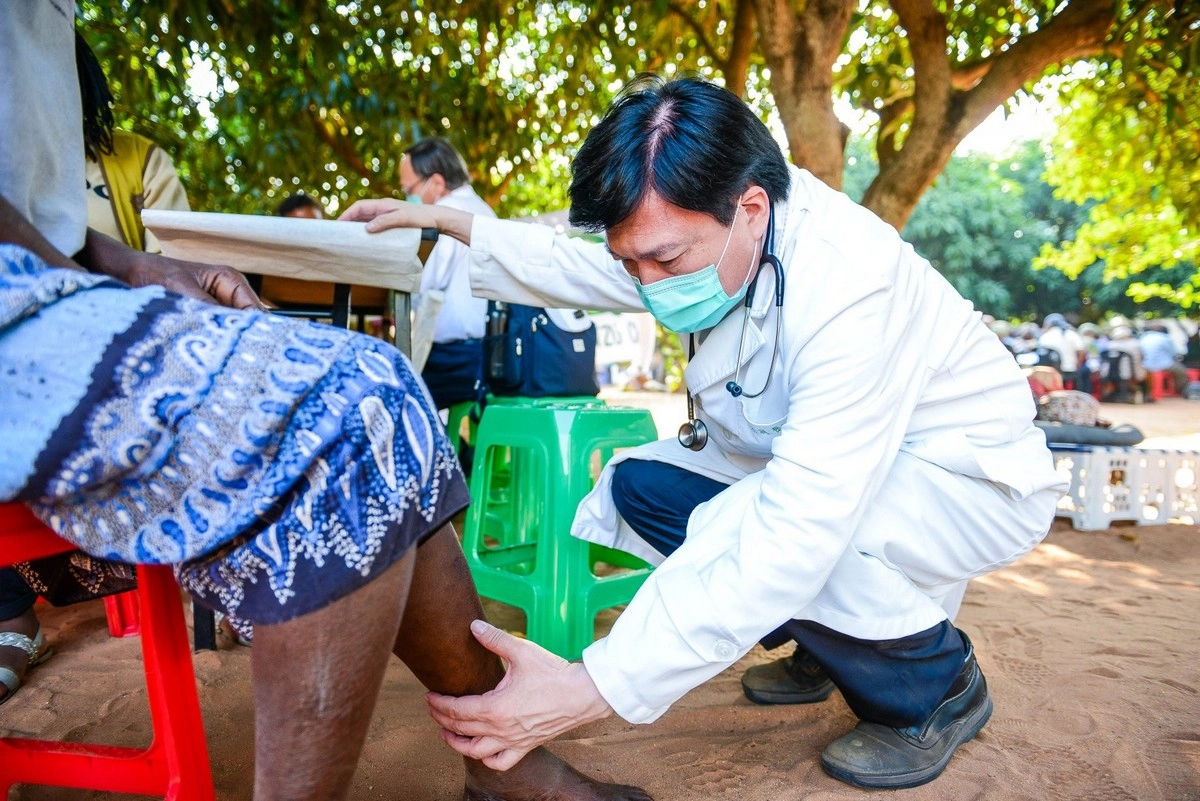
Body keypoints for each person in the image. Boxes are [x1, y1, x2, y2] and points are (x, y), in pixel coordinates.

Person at [342, 75, 1067, 790]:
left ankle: (938, 688)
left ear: (751, 206)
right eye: (632, 262)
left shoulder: (851, 283)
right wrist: (443, 221)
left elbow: (799, 524)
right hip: (822, 468)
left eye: (665, 260)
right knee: (642, 488)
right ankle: (831, 647)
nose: (649, 284)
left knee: (791, 536)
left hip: (962, 480)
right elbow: (571, 261)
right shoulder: (699, 233)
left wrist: (591, 684)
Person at [0, 7, 648, 801]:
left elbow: (41, 218)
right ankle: (500, 760)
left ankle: (498, 759)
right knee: (340, 412)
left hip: (46, 289)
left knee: (379, 387)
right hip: (21, 306)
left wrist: (133, 267)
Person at [401, 137, 498, 412]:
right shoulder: (482, 209)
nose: (407, 197)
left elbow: (422, 280)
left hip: (458, 357)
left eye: (409, 189)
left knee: (401, 394)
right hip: (484, 353)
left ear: (437, 183)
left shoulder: (449, 215)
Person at [1139, 320, 1188, 396]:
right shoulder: (1165, 338)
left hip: (1146, 365)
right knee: (1182, 371)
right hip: (1164, 365)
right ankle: (1180, 391)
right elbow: (1173, 353)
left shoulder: (1143, 338)